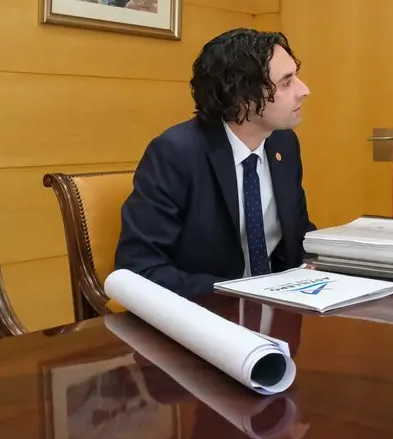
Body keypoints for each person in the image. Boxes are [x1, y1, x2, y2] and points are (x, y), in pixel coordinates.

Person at [115, 28, 315, 298]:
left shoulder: (284, 144)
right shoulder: (175, 153)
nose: (304, 90)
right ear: (242, 96)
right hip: (207, 315)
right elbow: (140, 269)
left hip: (281, 309)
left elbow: (298, 235)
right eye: (286, 82)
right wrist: (244, 293)